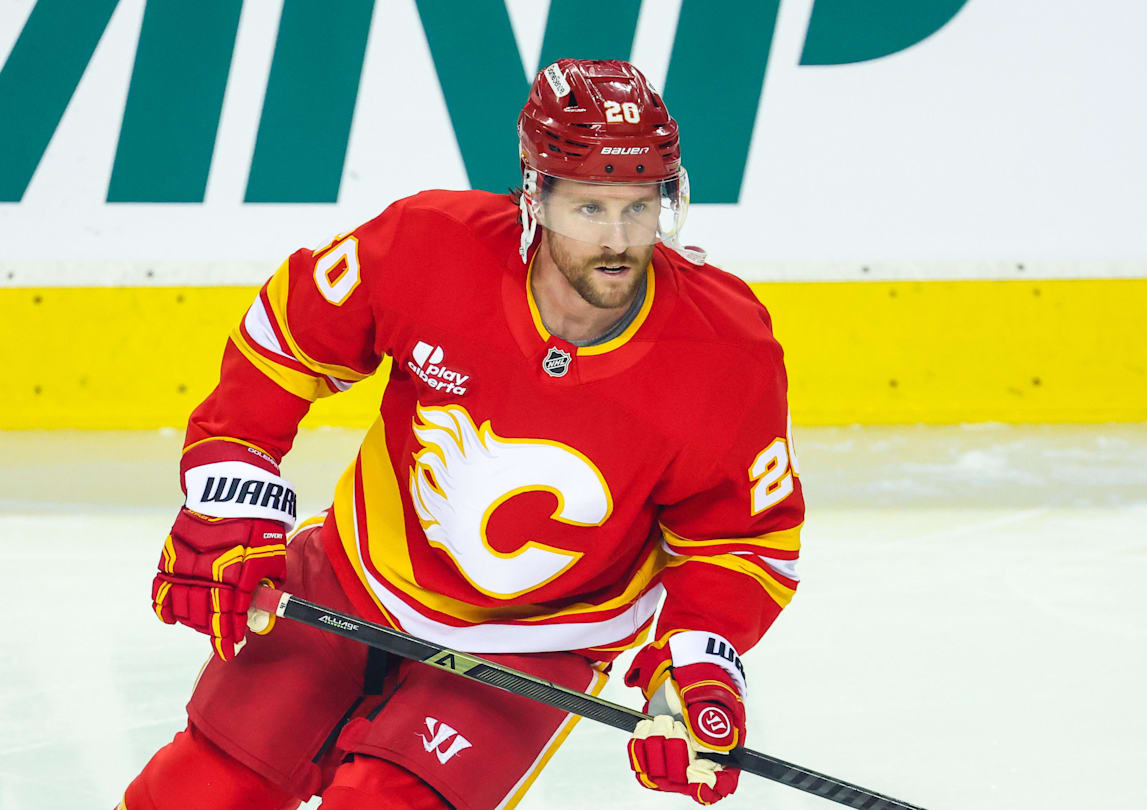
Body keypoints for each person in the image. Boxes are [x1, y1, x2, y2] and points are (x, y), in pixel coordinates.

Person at [120, 58, 804, 810]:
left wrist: (696, 660)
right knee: (196, 792)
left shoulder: (725, 349)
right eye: (589, 209)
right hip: (355, 577)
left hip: (537, 645)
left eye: (639, 208)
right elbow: (290, 335)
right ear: (535, 196)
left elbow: (741, 538)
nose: (618, 239)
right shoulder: (430, 243)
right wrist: (232, 481)